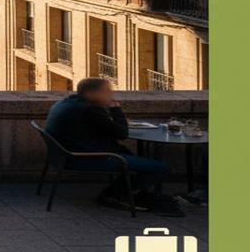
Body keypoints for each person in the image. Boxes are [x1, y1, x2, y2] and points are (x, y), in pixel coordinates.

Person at [44, 77, 177, 215]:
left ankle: (129, 192)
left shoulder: (67, 102)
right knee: (161, 168)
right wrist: (116, 110)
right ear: (91, 93)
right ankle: (112, 195)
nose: (110, 95)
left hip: (63, 156)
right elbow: (122, 134)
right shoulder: (90, 109)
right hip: (86, 158)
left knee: (130, 155)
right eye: (106, 91)